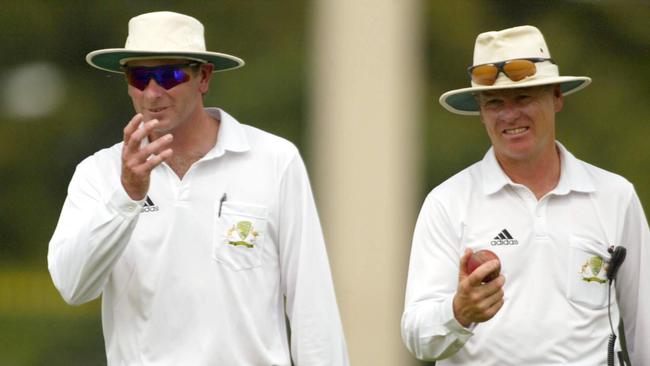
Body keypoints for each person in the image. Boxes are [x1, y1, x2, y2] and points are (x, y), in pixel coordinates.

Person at [48, 11, 349, 366]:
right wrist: (127, 194)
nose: (152, 92)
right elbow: (73, 286)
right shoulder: (98, 172)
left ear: (203, 77)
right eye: (139, 76)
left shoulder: (275, 159)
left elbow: (311, 302)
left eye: (169, 75)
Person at [401, 25, 649, 365]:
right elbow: (418, 337)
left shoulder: (615, 196)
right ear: (481, 111)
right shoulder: (447, 202)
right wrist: (458, 312)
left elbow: (644, 327)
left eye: (523, 97)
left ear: (557, 96)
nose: (509, 115)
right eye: (494, 103)